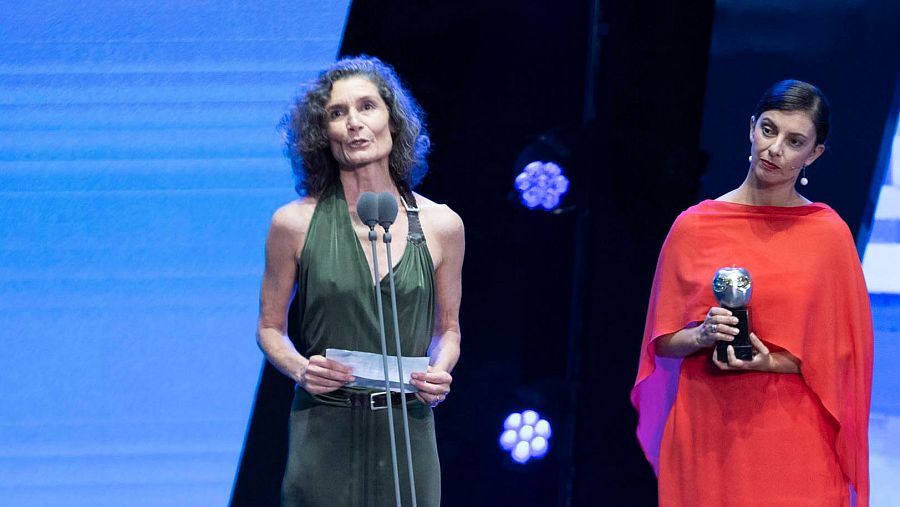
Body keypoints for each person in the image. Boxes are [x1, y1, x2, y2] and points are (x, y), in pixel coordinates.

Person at [631, 80, 872, 506]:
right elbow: (661, 342)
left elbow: (844, 357)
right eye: (768, 129)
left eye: (794, 141)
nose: (775, 149)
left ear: (814, 154)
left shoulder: (828, 235)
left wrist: (771, 361)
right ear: (751, 128)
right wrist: (703, 334)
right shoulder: (694, 226)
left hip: (795, 438)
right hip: (708, 434)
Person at [256, 56, 464, 506]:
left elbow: (447, 329)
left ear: (393, 120)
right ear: (323, 134)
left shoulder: (442, 224)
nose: (353, 122)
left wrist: (440, 370)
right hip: (325, 424)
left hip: (407, 428)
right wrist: (300, 368)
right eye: (337, 113)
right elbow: (269, 328)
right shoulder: (293, 223)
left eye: (367, 106)